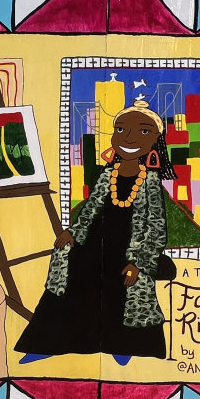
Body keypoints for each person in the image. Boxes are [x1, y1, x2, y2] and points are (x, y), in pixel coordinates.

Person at [15, 97, 172, 365]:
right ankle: (49, 342)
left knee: (121, 283)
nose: (129, 137)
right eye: (121, 129)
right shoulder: (108, 174)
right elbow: (90, 210)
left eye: (143, 131)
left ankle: (122, 344)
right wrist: (73, 232)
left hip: (129, 250)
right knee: (72, 270)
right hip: (95, 242)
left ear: (155, 139)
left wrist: (139, 262)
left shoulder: (150, 181)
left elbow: (156, 228)